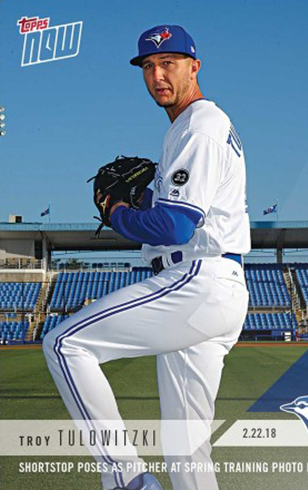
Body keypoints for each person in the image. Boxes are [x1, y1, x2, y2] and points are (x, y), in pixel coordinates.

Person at [43, 24, 250, 490]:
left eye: (169, 63)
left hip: (197, 280)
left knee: (64, 345)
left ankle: (126, 478)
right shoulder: (191, 128)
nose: (158, 75)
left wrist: (117, 212)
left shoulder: (200, 125)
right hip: (215, 288)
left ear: (194, 67)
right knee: (188, 452)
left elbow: (175, 227)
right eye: (149, 66)